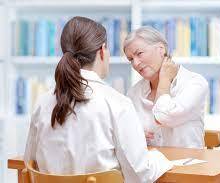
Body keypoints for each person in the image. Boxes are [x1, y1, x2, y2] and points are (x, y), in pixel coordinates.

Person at [24, 17, 173, 183]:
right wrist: (159, 158)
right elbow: (140, 174)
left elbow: (29, 163)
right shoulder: (117, 103)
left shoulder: (42, 102)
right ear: (102, 50)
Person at [123, 26, 209, 148]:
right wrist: (135, 135)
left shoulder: (195, 83)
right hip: (152, 164)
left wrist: (164, 81)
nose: (135, 63)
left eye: (139, 54)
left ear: (161, 49)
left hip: (188, 163)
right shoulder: (134, 92)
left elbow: (163, 117)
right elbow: (126, 131)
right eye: (130, 59)